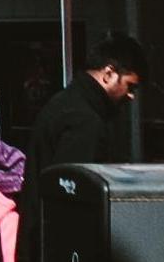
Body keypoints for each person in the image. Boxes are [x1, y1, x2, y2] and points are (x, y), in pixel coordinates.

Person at [23, 33, 145, 184]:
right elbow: (72, 189)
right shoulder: (84, 120)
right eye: (130, 86)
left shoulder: (68, 102)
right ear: (108, 74)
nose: (131, 95)